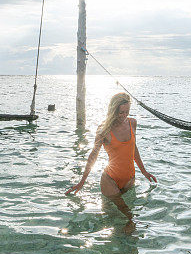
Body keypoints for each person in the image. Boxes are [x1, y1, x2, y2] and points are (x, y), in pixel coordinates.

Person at [65, 92, 157, 220]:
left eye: (127, 112)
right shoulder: (104, 129)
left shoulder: (132, 123)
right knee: (127, 216)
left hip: (129, 179)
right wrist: (82, 182)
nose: (124, 116)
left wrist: (144, 172)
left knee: (116, 218)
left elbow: (133, 149)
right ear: (113, 111)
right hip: (110, 180)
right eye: (121, 112)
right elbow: (93, 155)